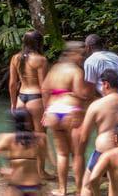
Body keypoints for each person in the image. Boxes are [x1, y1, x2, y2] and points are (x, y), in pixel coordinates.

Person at [43, 41, 89, 196]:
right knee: (77, 154)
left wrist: (46, 111)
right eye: (81, 54)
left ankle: (62, 190)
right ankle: (79, 190)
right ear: (71, 54)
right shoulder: (76, 71)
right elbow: (81, 93)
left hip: (53, 111)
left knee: (62, 153)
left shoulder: (55, 68)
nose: (83, 58)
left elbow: (45, 89)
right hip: (71, 110)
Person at [0, 109, 51, 195]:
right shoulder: (40, 137)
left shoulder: (6, 138)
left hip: (15, 184)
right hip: (35, 184)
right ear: (29, 122)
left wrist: (0, 170)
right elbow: (50, 160)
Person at [11, 31, 50, 122]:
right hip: (36, 99)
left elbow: (12, 84)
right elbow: (43, 87)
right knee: (40, 135)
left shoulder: (15, 58)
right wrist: (47, 109)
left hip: (20, 99)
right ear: (39, 43)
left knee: (23, 135)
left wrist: (13, 103)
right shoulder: (41, 60)